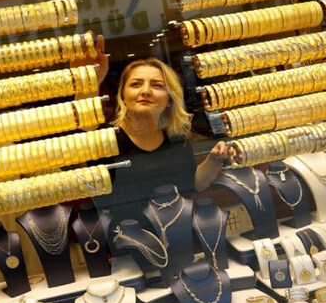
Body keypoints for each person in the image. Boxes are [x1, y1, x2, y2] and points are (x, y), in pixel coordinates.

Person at [88, 56, 232, 229]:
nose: (145, 91)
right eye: (136, 84)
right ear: (123, 96)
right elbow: (85, 125)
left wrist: (214, 159)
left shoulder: (176, 138)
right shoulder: (105, 140)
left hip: (179, 231)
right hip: (129, 236)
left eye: (157, 86)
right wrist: (90, 80)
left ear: (169, 99)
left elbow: (195, 183)